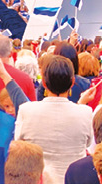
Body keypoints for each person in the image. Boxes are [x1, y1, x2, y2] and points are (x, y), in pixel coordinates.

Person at [14, 56, 93, 184]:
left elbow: (18, 141)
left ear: (44, 83)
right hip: (72, 179)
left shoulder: (27, 111)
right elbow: (87, 143)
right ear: (72, 82)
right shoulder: (85, 113)